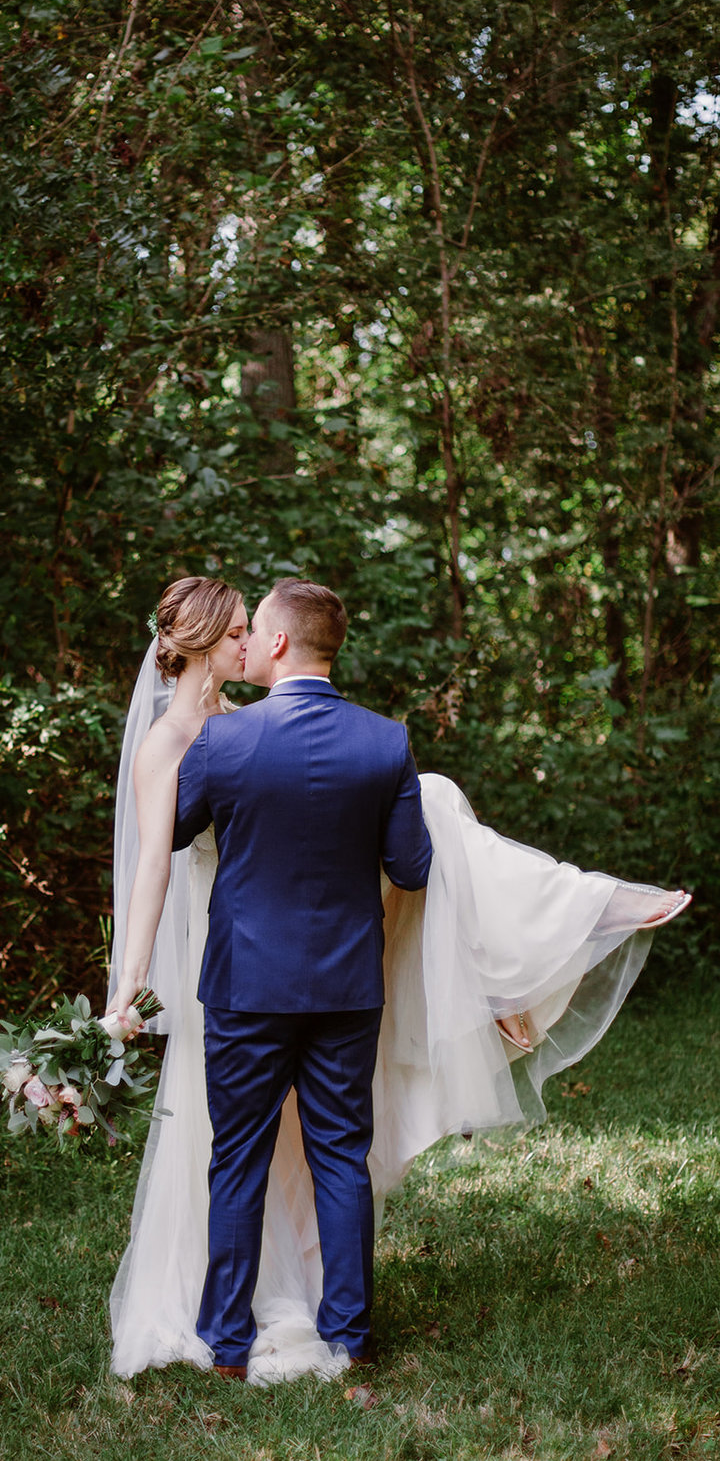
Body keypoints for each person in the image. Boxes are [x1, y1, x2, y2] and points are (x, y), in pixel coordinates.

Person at [107, 577, 690, 1386]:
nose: (245, 642)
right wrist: (129, 982)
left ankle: (228, 1345)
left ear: (275, 642)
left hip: (246, 981)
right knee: (340, 1156)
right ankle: (350, 1335)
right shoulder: (374, 739)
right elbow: (407, 866)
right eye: (235, 632)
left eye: (251, 629)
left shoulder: (225, 743)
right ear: (209, 644)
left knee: (236, 1160)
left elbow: (173, 838)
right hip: (346, 979)